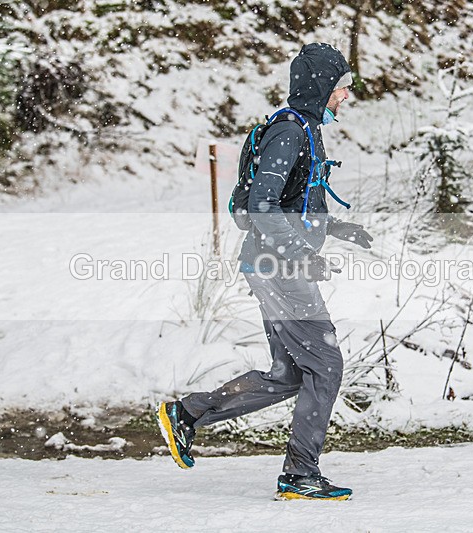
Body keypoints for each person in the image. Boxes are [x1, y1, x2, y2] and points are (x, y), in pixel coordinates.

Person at [157, 43, 373, 501]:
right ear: (321, 88)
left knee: (289, 373)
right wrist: (300, 252)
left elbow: (292, 201)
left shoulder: (305, 130)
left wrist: (336, 227)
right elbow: (261, 205)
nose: (346, 97)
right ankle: (300, 473)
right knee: (326, 363)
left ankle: (188, 414)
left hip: (273, 263)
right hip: (279, 267)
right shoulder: (290, 133)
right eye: (342, 88)